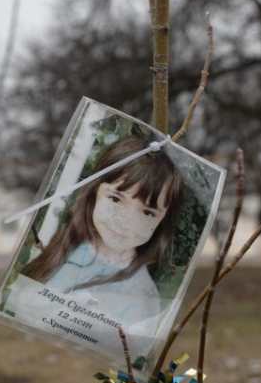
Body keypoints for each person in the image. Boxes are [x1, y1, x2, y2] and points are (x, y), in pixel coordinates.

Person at [20, 134, 183, 328]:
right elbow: (20, 304)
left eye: (147, 212)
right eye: (115, 198)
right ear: (94, 193)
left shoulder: (142, 297)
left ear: (162, 222)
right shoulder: (63, 247)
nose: (126, 221)